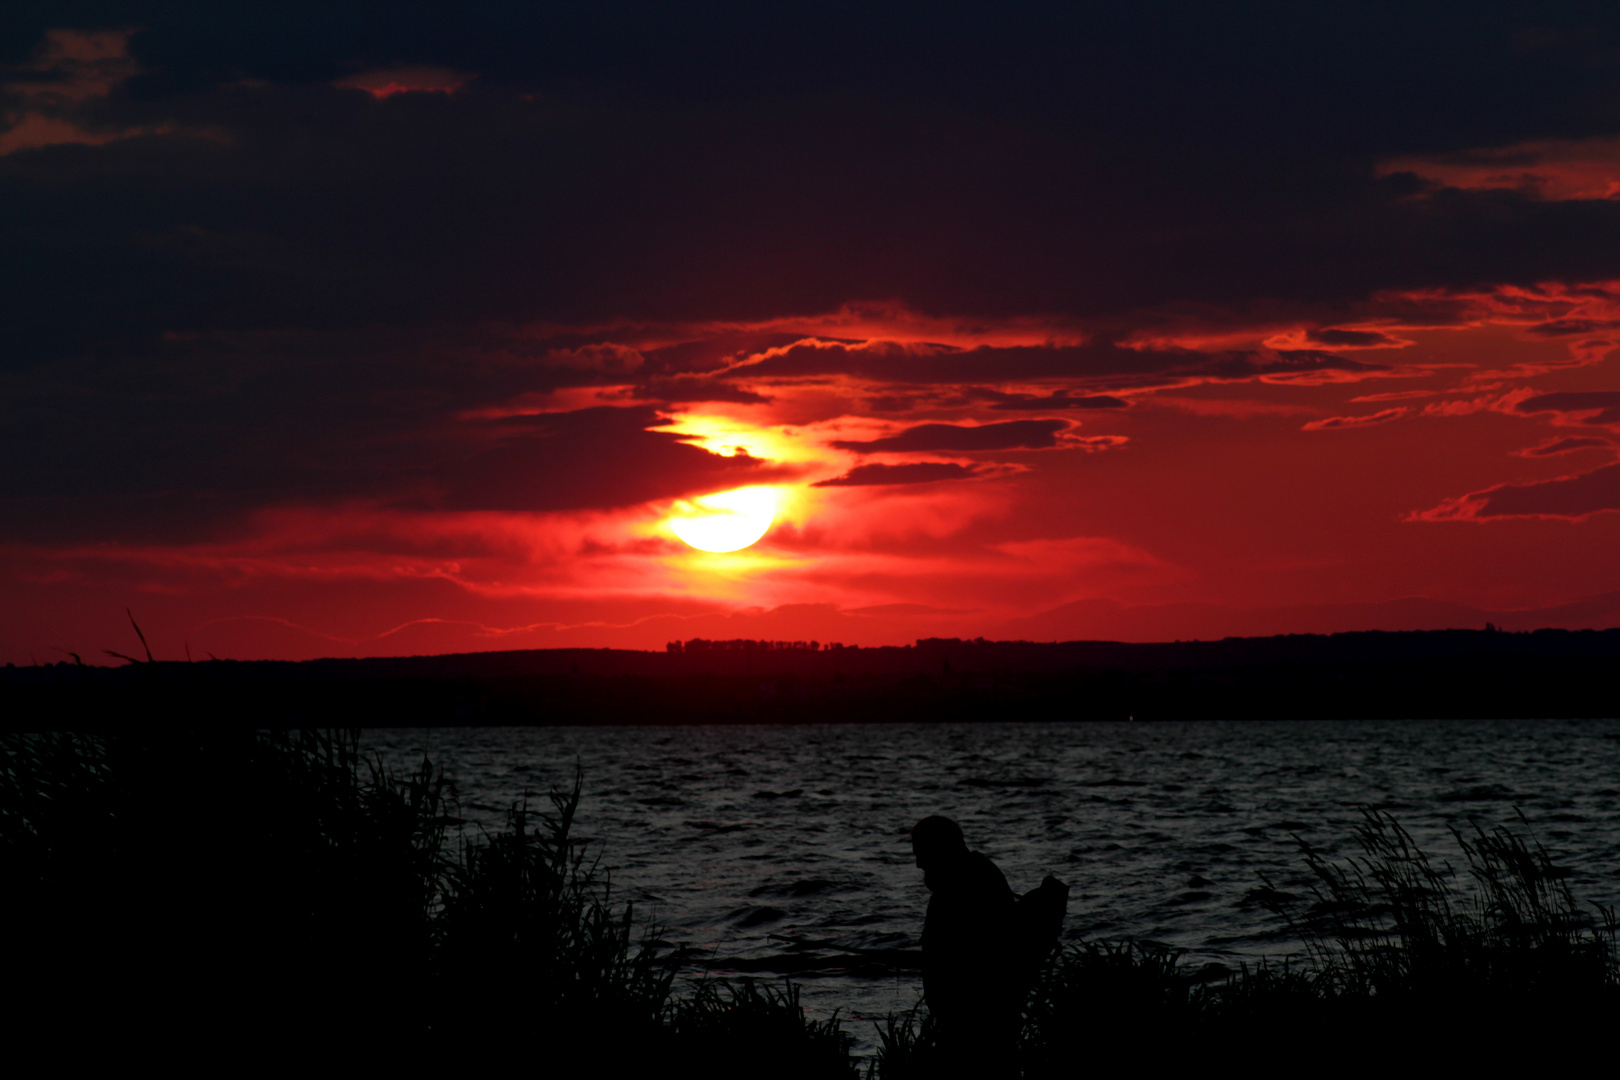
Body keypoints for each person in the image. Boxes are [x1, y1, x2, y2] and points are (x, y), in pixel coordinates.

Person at [911, 815, 1021, 1076]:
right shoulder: (976, 875)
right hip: (979, 1022)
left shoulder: (961, 888)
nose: (918, 864)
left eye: (922, 853)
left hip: (974, 1027)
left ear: (941, 849)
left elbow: (966, 959)